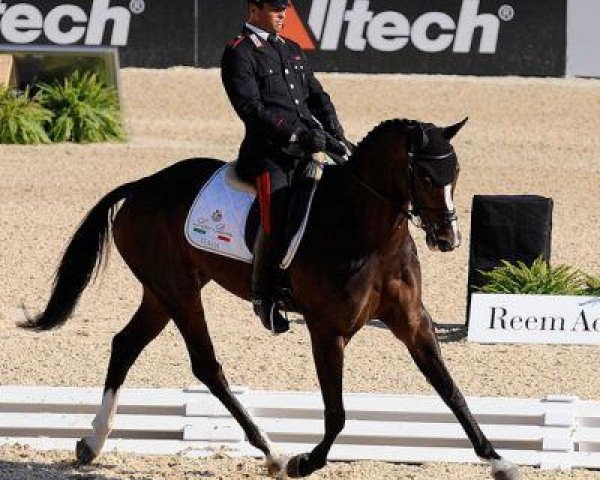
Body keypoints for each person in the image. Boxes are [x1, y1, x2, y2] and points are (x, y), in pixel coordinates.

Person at [221, 0, 345, 334]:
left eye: (284, 8)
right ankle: (264, 296)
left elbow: (317, 95)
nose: (282, 14)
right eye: (274, 8)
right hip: (268, 154)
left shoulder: (290, 48)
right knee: (274, 215)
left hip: (311, 145)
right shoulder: (239, 52)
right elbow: (249, 106)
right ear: (252, 10)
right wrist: (294, 134)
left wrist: (335, 132)